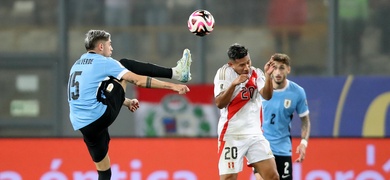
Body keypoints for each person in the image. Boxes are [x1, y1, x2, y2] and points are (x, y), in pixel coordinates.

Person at [67, 29, 191, 180]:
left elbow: (90, 93)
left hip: (82, 124)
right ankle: (177, 72)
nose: (111, 48)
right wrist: (173, 86)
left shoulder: (78, 64)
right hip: (99, 116)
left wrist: (125, 101)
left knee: (104, 171)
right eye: (109, 44)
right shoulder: (104, 62)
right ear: (101, 47)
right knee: (125, 64)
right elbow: (138, 80)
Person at [213, 43, 279, 180]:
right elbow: (220, 103)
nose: (246, 67)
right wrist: (233, 84)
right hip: (232, 134)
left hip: (254, 134)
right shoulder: (224, 73)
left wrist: (268, 76)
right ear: (231, 65)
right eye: (241, 65)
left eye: (248, 62)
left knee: (272, 176)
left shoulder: (256, 73)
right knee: (229, 177)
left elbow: (267, 95)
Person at [254, 53, 311, 180]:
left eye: (282, 67)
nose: (278, 72)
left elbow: (305, 120)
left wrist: (303, 142)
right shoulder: (260, 88)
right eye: (275, 67)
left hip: (283, 148)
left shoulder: (297, 92)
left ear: (288, 69)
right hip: (262, 145)